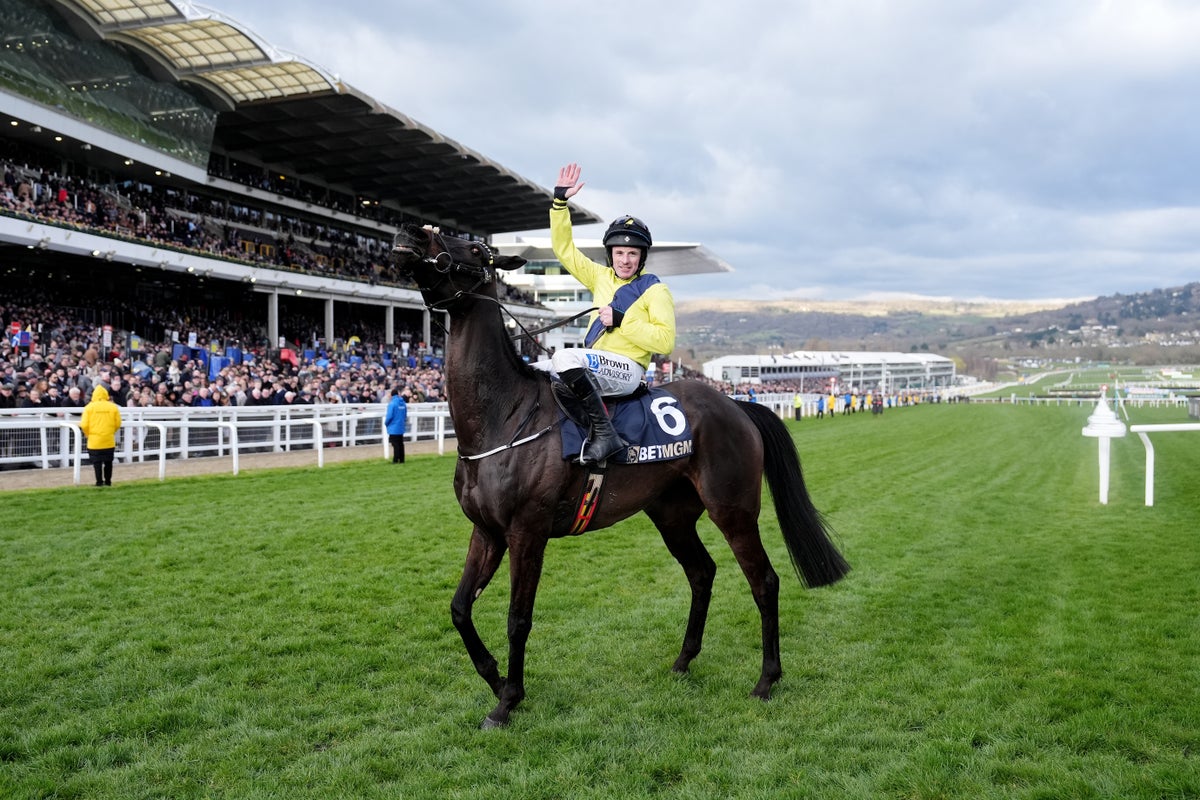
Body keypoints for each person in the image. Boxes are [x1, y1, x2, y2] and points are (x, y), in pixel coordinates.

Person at [538, 162, 676, 464]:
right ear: (610, 254)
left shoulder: (655, 290)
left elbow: (665, 342)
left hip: (629, 371)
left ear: (641, 258)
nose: (625, 260)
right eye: (619, 253)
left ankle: (605, 435)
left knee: (564, 358)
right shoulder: (600, 277)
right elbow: (565, 250)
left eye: (632, 254)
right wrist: (560, 203)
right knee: (534, 368)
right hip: (596, 366)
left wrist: (623, 321)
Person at [79, 384, 122, 487]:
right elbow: (118, 423)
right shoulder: (113, 407)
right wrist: (111, 431)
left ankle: (99, 482)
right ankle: (108, 481)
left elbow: (84, 424)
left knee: (97, 463)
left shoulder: (89, 407)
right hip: (108, 439)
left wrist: (87, 434)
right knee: (108, 462)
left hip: (94, 440)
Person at [384, 385, 408, 464]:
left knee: (395, 444)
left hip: (393, 427)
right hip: (400, 426)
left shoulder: (392, 404)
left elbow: (389, 416)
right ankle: (402, 459)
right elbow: (405, 415)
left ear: (391, 395)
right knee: (401, 443)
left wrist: (386, 423)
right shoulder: (403, 403)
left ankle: (395, 460)